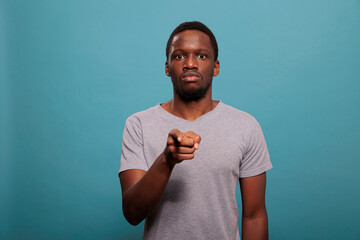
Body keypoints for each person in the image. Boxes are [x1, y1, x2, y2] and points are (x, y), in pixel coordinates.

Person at [119, 21, 273, 240]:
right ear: (167, 67)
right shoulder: (138, 124)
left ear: (215, 67)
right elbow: (132, 213)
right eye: (179, 56)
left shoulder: (245, 125)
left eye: (201, 56)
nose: (190, 63)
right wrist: (167, 160)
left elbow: (255, 216)